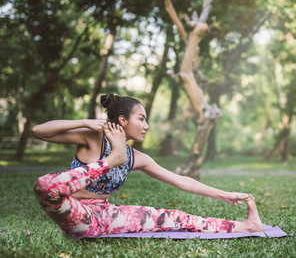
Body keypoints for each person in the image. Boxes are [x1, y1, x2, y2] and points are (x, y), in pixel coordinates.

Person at [32, 94, 263, 239]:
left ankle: (248, 226)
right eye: (141, 119)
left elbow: (182, 181)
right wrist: (84, 122)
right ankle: (113, 158)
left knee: (173, 217)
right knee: (45, 186)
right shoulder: (92, 138)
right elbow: (39, 131)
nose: (147, 125)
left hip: (103, 215)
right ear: (122, 120)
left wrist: (225, 194)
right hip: (73, 210)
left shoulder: (137, 158)